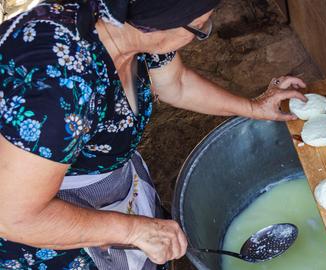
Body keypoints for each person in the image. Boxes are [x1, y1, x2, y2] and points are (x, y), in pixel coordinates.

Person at [0, 0, 307, 269]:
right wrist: (133, 231)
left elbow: (177, 84)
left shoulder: (129, 28)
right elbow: (14, 217)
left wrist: (254, 107)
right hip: (39, 225)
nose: (200, 34)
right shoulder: (58, 89)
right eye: (199, 27)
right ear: (159, 22)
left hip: (103, 179)